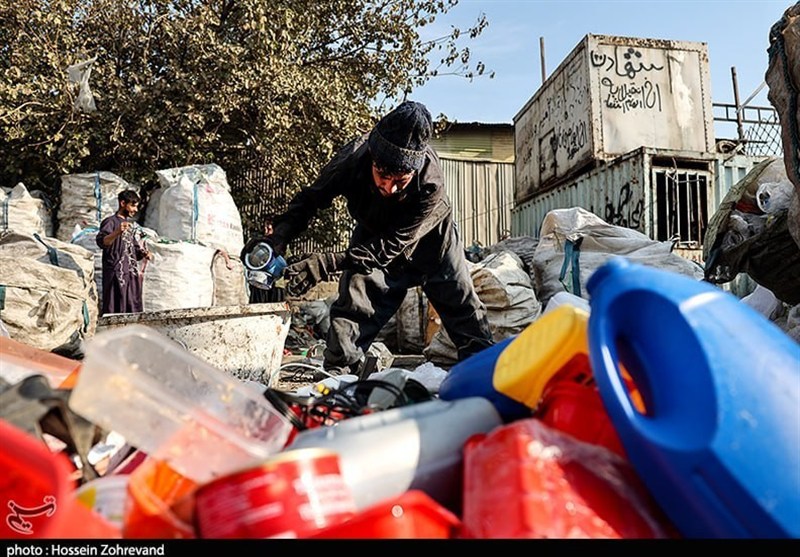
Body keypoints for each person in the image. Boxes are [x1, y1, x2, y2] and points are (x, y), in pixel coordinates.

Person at [242, 100, 495, 375]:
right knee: (354, 302)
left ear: (415, 169)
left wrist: (325, 263)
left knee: (462, 306)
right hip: (373, 231)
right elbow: (309, 201)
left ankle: (486, 374)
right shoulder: (353, 158)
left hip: (432, 241)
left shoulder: (431, 184)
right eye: (383, 174)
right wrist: (278, 238)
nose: (389, 187)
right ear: (373, 156)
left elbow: (388, 249)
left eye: (401, 179)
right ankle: (339, 375)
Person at [96, 189, 152, 315]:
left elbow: (134, 250)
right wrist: (117, 232)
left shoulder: (128, 225)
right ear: (122, 203)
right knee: (115, 308)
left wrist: (143, 253)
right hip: (116, 275)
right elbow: (102, 242)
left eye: (136, 206)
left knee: (132, 308)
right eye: (133, 205)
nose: (135, 210)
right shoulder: (110, 222)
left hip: (131, 275)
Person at [248, 217, 288, 303]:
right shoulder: (260, 243)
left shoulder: (282, 245)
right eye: (265, 228)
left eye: (269, 229)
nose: (266, 231)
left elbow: (286, 263)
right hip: (259, 283)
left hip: (277, 284)